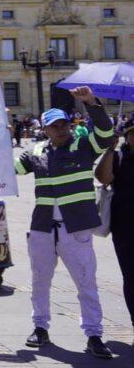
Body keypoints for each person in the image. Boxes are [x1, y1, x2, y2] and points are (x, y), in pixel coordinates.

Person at [16, 87, 114, 359]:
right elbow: (11, 169)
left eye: (64, 125)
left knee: (86, 282)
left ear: (70, 125)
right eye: (54, 126)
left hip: (77, 227)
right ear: (45, 129)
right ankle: (40, 327)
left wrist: (92, 104)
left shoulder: (83, 146)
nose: (60, 130)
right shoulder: (36, 151)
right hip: (42, 227)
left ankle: (94, 334)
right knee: (40, 280)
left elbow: (105, 134)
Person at [97, 119, 134, 342]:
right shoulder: (119, 158)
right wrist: (110, 149)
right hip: (126, 228)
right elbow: (103, 178)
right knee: (131, 276)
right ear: (127, 137)